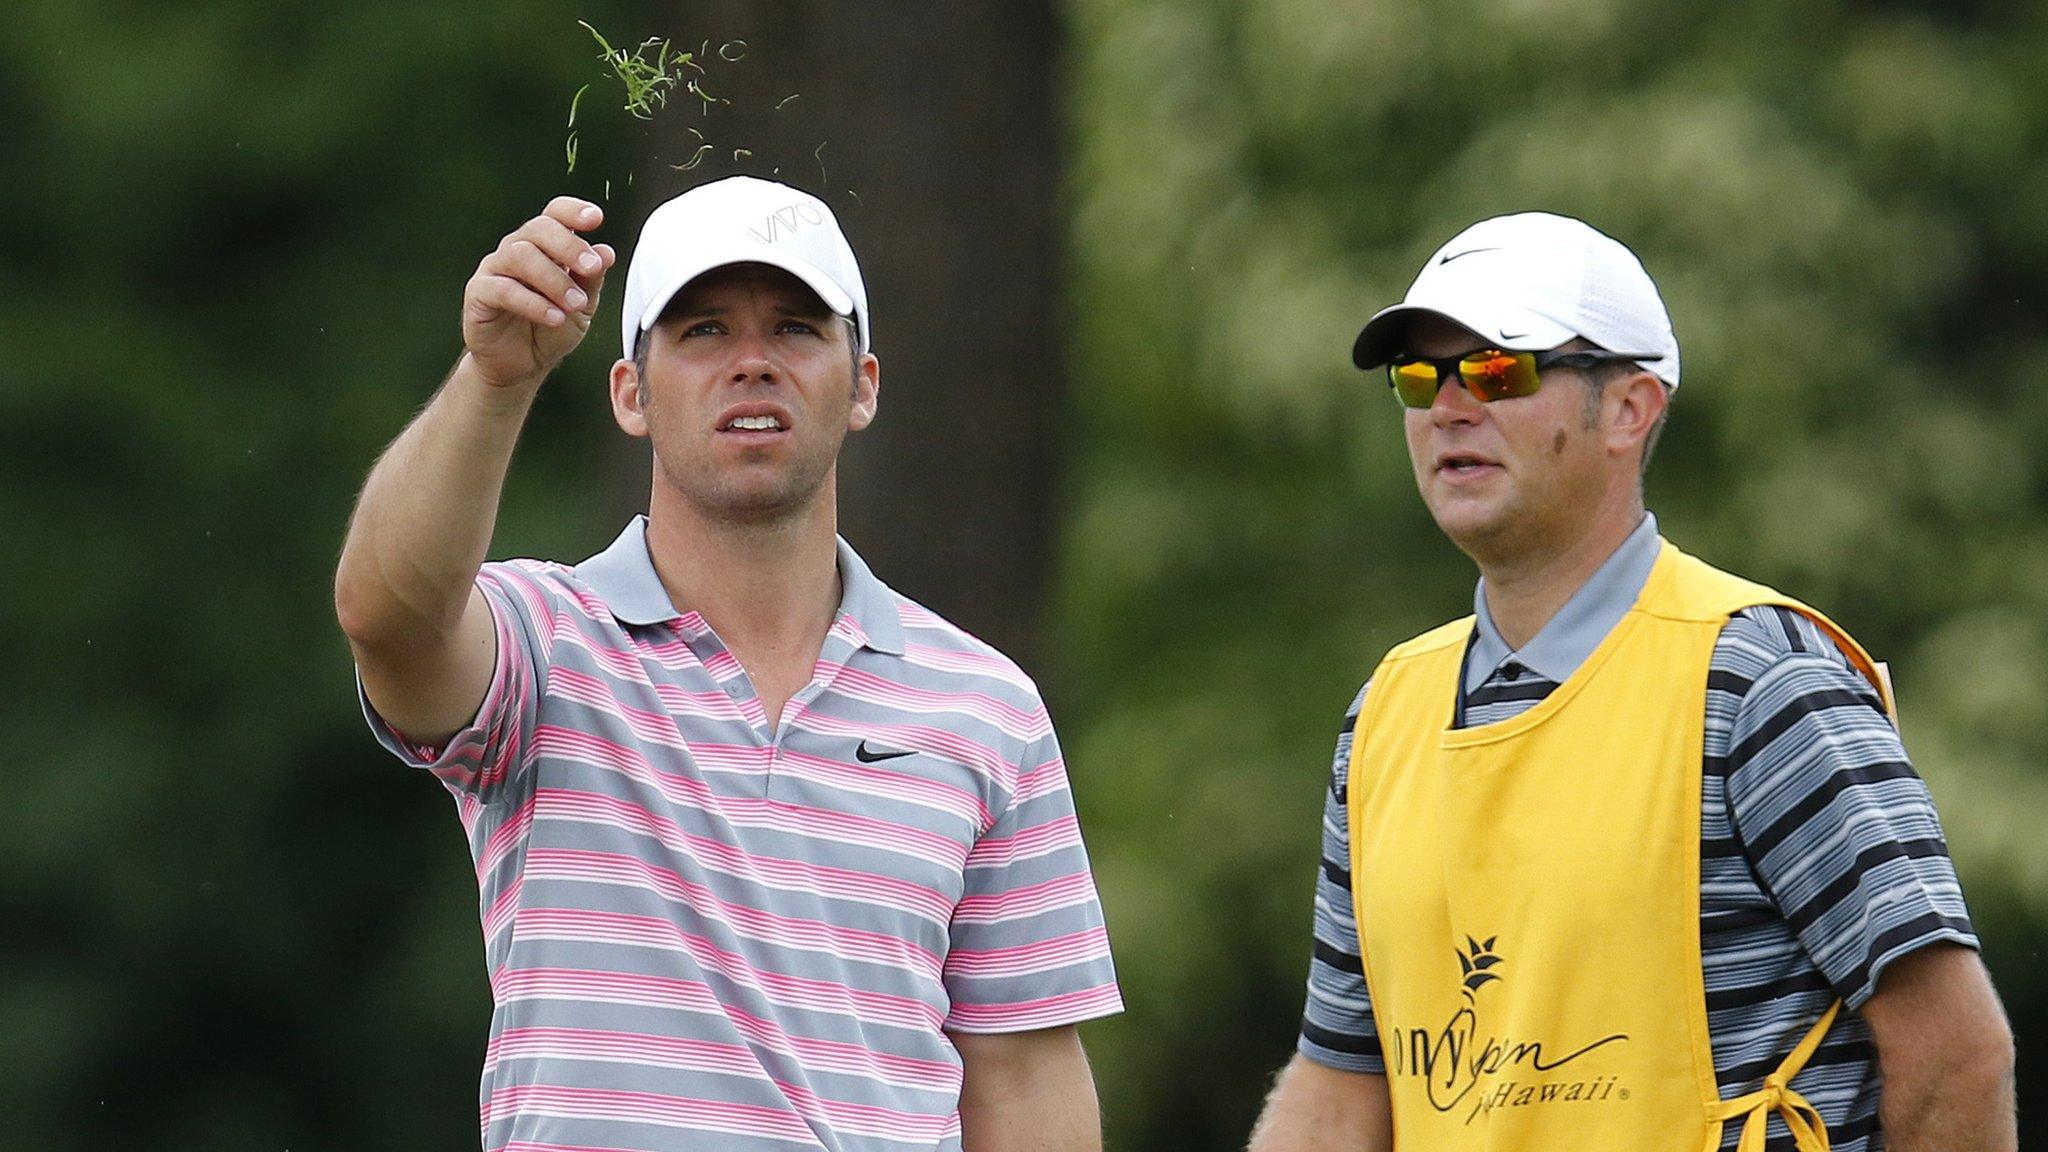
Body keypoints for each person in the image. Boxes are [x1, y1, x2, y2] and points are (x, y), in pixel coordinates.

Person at [334, 176, 1121, 1152]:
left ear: (862, 382)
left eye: (795, 328)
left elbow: (1027, 1085)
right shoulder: (545, 644)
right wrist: (498, 380)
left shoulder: (984, 706)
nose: (752, 362)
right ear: (631, 393)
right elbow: (388, 621)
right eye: (702, 331)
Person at [1246, 212, 2015, 1151]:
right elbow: (1337, 1090)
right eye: (1420, 376)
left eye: (1498, 369)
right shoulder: (1386, 716)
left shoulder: (1760, 683)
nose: (1447, 405)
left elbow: (1956, 1055)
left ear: (1630, 409)